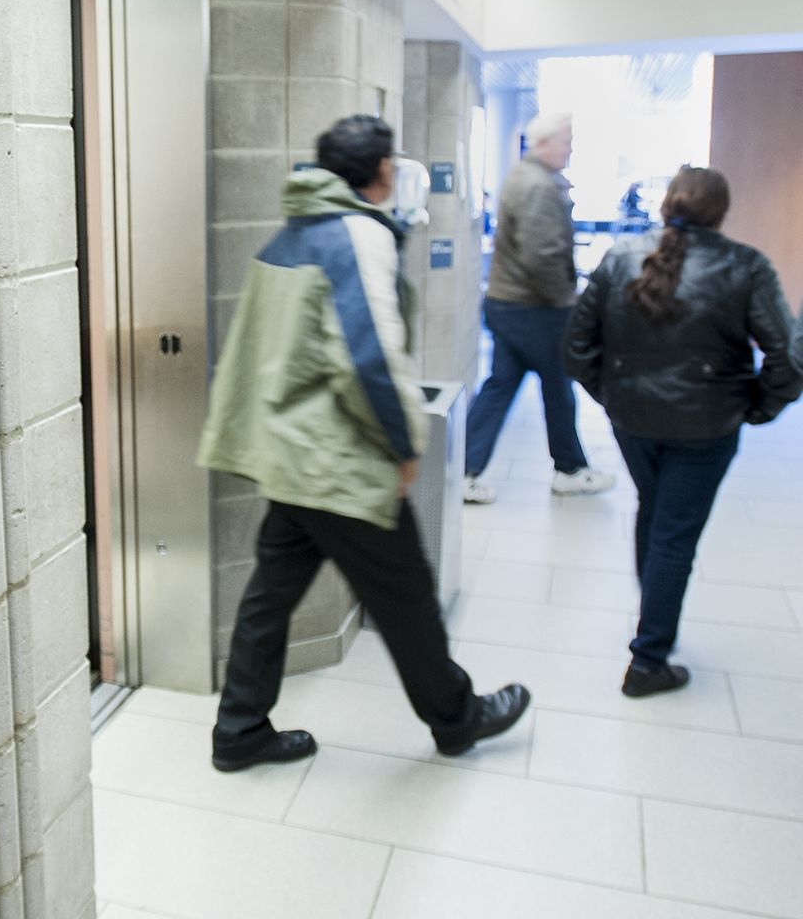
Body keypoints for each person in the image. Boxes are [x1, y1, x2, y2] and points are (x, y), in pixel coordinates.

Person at [199, 114, 530, 771]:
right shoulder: (357, 236)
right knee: (405, 592)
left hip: (293, 456)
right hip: (338, 460)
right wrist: (405, 443)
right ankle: (457, 719)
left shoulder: (289, 234)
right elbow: (369, 357)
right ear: (381, 173)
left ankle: (239, 730)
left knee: (269, 596)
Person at [565, 166, 801, 696]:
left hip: (632, 421)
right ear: (721, 212)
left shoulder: (621, 258)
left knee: (654, 510)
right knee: (674, 532)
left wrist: (616, 395)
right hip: (707, 426)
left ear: (668, 203)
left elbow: (576, 348)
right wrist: (758, 406)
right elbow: (787, 354)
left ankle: (654, 615)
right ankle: (648, 661)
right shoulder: (746, 266)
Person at [463, 112, 616, 504]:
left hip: (511, 305)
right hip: (535, 310)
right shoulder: (536, 186)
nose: (570, 149)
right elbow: (542, 255)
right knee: (558, 388)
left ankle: (464, 469)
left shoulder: (526, 178)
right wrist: (569, 299)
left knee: (502, 386)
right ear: (544, 143)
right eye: (566, 141)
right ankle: (569, 469)